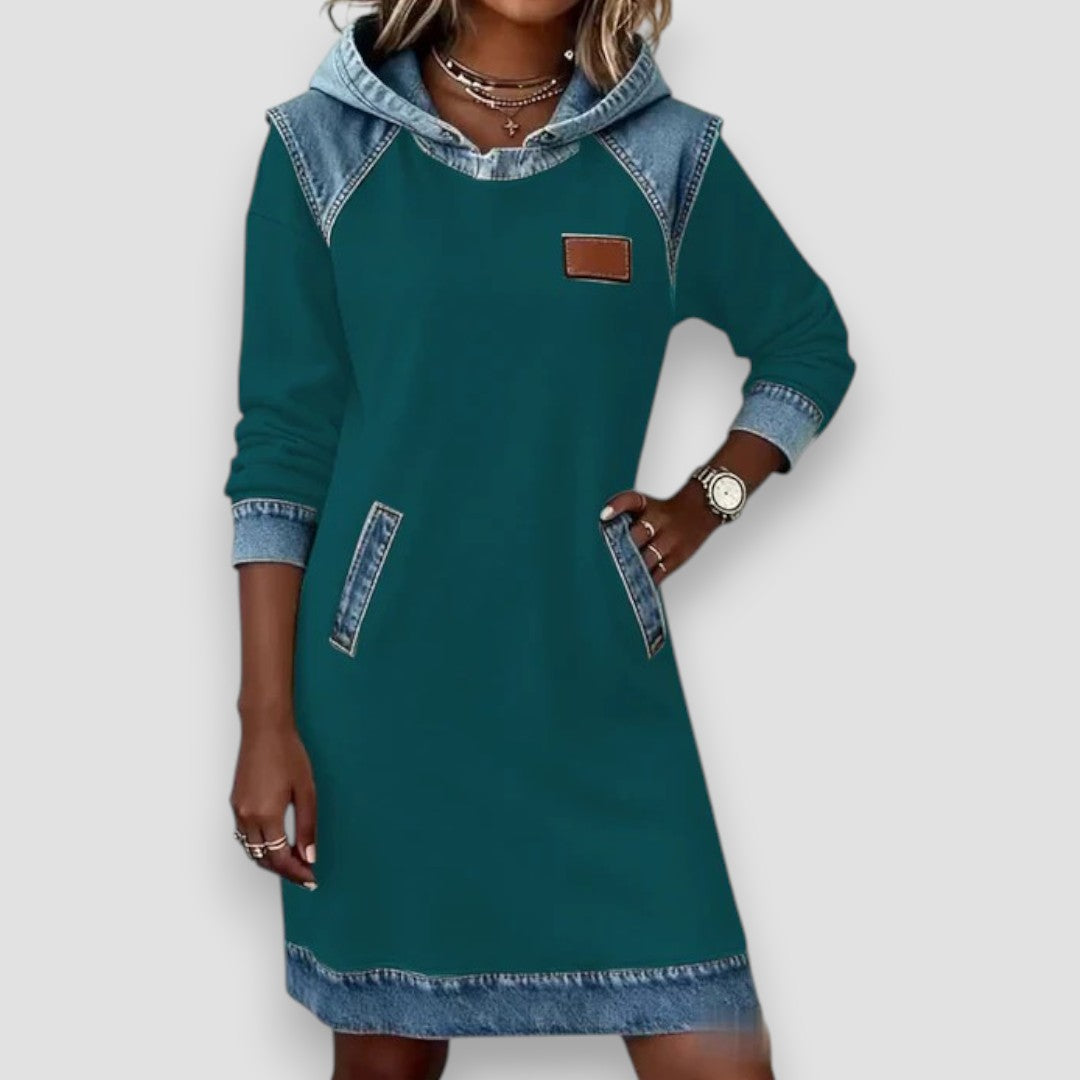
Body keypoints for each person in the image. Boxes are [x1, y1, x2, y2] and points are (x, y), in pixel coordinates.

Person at [224, 1, 855, 1076]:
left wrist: (709, 500)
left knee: (718, 1051)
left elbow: (808, 342)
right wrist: (266, 717)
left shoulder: (667, 157)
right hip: (387, 702)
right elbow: (283, 448)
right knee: (386, 1064)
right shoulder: (320, 147)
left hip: (599, 690)